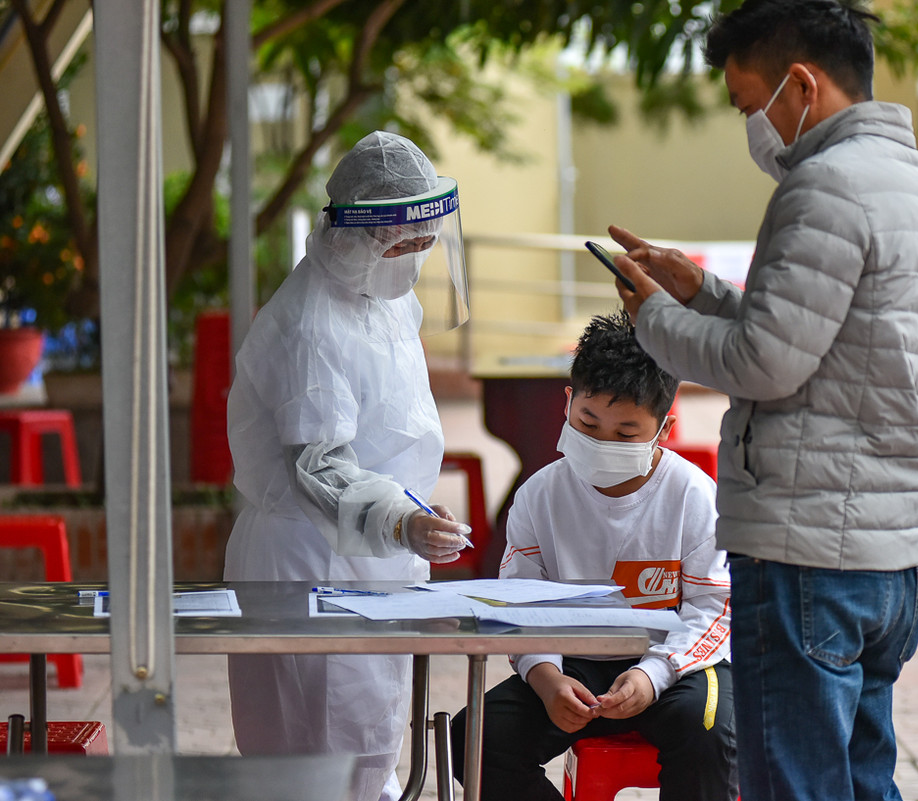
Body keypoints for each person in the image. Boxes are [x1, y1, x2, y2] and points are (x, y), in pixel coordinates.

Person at [605, 2, 918, 799]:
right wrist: (699, 290)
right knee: (863, 782)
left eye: (748, 103)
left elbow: (764, 361)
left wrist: (653, 319)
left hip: (804, 553)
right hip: (883, 554)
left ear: (800, 85)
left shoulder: (824, 187)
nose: (752, 127)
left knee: (793, 787)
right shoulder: (916, 190)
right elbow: (823, 344)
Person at [223, 131, 473, 801]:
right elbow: (319, 464)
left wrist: (409, 519)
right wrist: (400, 520)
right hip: (308, 561)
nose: (417, 257)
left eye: (426, 243)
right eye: (405, 244)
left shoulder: (381, 299)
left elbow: (391, 433)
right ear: (359, 235)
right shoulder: (310, 323)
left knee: (367, 747)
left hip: (368, 556)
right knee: (312, 760)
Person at [448, 310, 737, 801]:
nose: (603, 442)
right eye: (588, 422)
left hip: (675, 663)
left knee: (707, 731)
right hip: (572, 666)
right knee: (474, 736)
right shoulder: (539, 495)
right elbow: (519, 604)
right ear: (568, 402)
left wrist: (653, 675)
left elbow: (714, 608)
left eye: (626, 434)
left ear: (664, 429)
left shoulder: (692, 495)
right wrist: (546, 678)